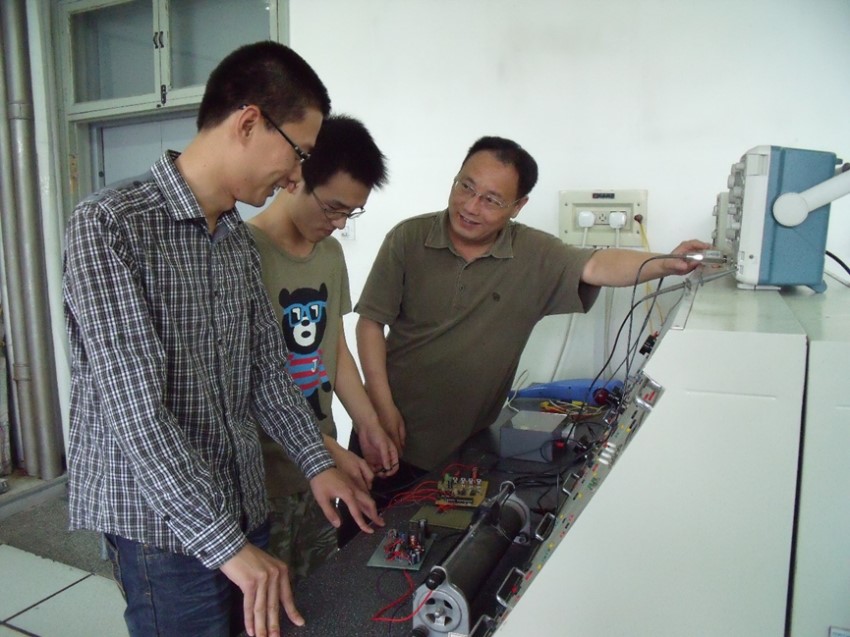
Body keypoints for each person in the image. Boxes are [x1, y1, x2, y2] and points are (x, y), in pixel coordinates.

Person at [63, 42, 382, 637]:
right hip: (164, 528)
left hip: (242, 500)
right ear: (249, 122)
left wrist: (318, 463)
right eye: (299, 154)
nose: (296, 176)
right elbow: (136, 412)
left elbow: (266, 373)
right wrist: (225, 545)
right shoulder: (110, 224)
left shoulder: (234, 238)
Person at [354, 135, 711, 491]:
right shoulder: (408, 239)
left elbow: (597, 264)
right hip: (385, 434)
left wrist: (666, 263)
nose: (471, 206)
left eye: (491, 200)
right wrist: (381, 408)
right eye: (466, 187)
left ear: (517, 206)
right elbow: (370, 323)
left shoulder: (533, 253)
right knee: (361, 523)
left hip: (466, 451)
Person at [246, 114, 398, 583]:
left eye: (351, 213)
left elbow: (334, 349)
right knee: (269, 602)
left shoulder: (329, 254)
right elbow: (243, 382)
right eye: (333, 208)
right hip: (265, 476)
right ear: (295, 176)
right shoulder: (243, 253)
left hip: (319, 469)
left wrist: (368, 423)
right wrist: (325, 451)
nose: (339, 223)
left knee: (320, 591)